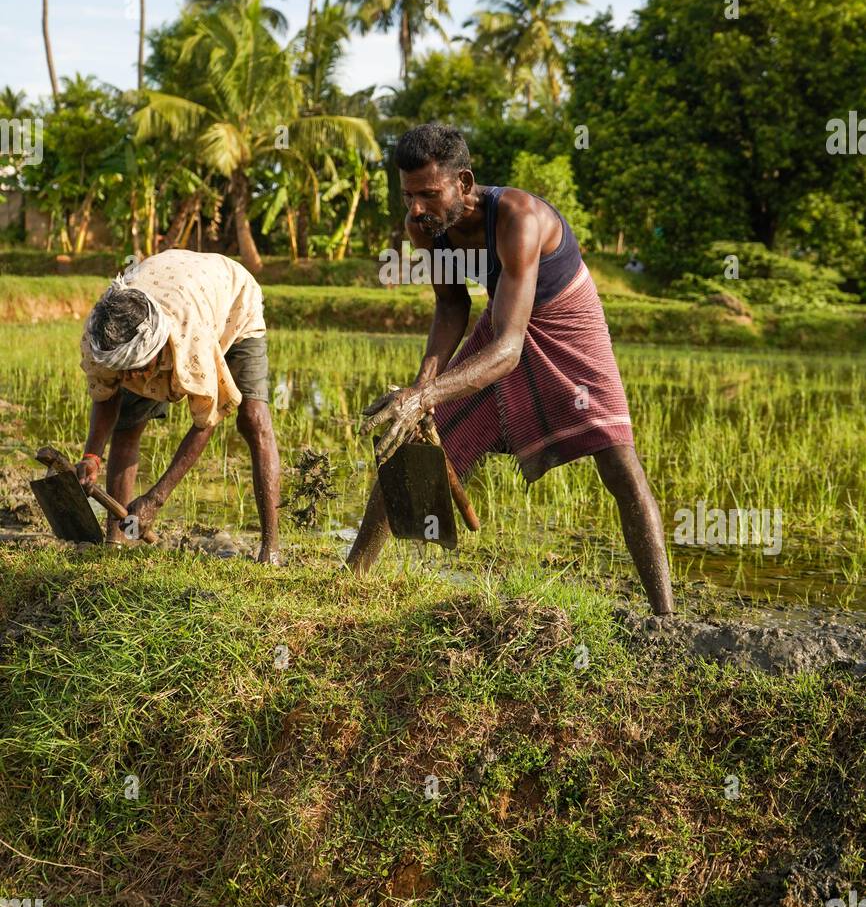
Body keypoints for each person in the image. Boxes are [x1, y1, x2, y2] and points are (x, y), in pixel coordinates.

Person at [352, 123, 674, 616]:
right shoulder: (424, 225)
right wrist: (420, 391)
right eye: (408, 195)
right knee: (412, 440)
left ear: (464, 181)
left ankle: (665, 616)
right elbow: (451, 308)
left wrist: (425, 396)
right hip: (505, 317)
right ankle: (351, 577)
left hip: (565, 316)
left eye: (429, 194)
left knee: (618, 461)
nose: (416, 208)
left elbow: (507, 351)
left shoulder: (517, 218)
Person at [75, 249, 281, 564]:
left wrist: (156, 499)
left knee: (253, 419)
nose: (132, 378)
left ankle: (271, 549)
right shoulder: (103, 336)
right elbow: (106, 395)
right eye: (125, 371)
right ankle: (116, 542)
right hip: (173, 282)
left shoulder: (191, 341)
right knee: (127, 424)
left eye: (138, 368)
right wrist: (91, 457)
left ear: (158, 349)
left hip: (232, 303)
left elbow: (207, 420)